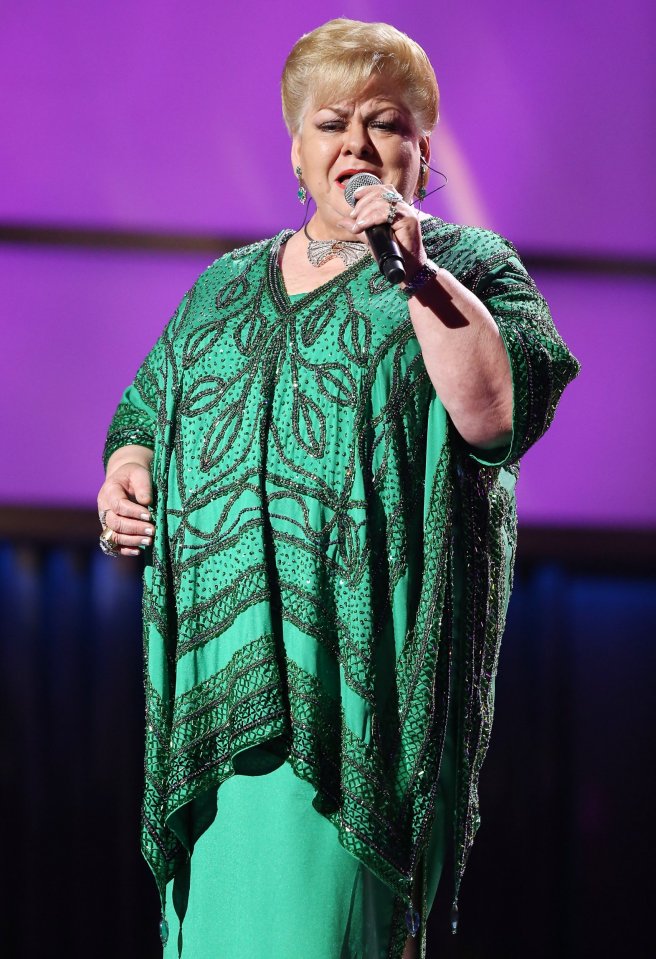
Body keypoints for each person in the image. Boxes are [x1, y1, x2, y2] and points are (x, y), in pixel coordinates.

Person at [97, 18, 579, 959]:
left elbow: (498, 414)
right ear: (296, 149)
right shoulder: (223, 288)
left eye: (384, 123)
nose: (355, 145)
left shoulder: (472, 269)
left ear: (421, 150)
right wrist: (127, 471)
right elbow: (146, 412)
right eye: (330, 123)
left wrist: (416, 272)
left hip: (358, 714)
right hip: (216, 711)